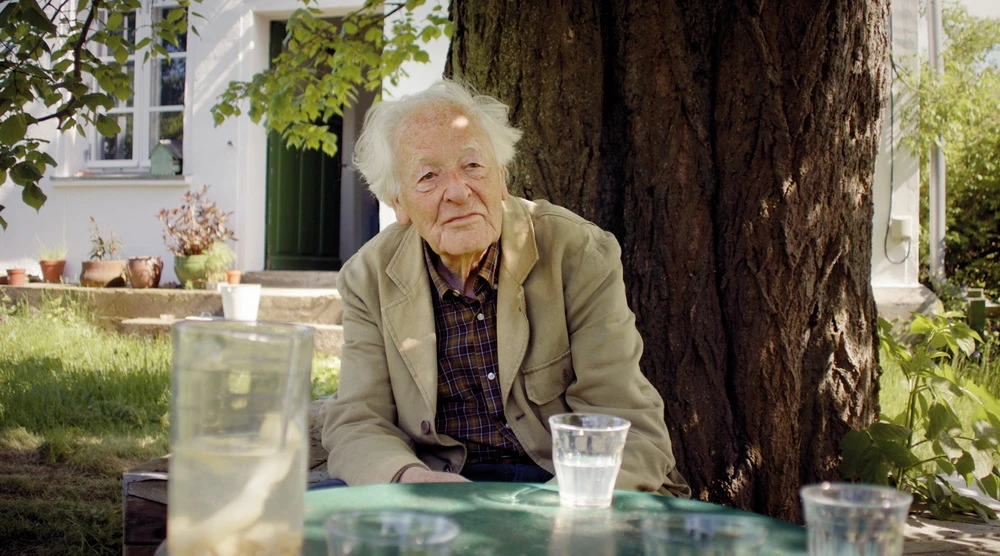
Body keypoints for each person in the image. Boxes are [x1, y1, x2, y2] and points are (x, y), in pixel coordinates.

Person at [320, 80, 689, 495]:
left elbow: (623, 422)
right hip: (440, 491)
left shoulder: (578, 253)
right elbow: (358, 422)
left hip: (566, 484)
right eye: (428, 176)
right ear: (398, 203)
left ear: (501, 179)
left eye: (473, 166)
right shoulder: (368, 277)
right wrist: (413, 480)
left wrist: (550, 513)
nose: (458, 192)